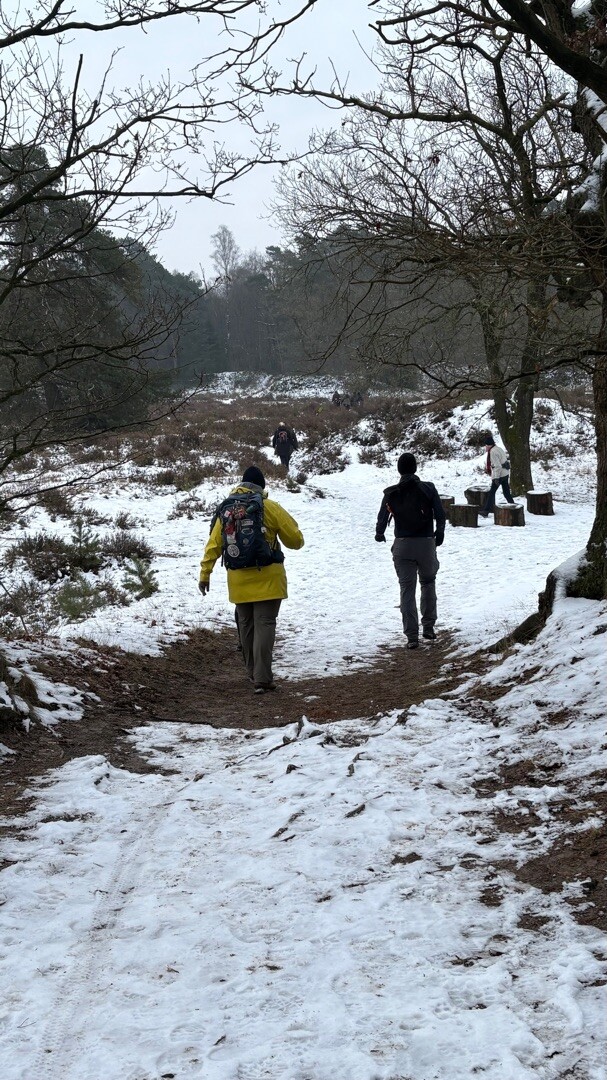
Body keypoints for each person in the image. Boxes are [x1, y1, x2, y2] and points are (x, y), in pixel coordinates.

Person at [199, 466, 304, 693]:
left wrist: (205, 574)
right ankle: (262, 678)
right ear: (261, 487)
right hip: (269, 579)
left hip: (238, 580)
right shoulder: (270, 507)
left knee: (246, 625)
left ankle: (252, 672)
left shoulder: (227, 510)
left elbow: (214, 545)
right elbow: (295, 541)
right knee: (264, 624)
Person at [375, 452, 446, 649]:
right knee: (428, 583)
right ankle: (429, 627)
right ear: (415, 468)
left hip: (402, 545)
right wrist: (440, 532)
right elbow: (440, 513)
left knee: (407, 588)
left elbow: (382, 516)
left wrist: (379, 533)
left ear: (399, 470)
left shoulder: (391, 492)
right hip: (426, 543)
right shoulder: (428, 488)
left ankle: (412, 636)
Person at [478, 434, 514, 517]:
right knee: (506, 493)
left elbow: (497, 466)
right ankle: (513, 506)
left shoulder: (493, 452)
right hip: (505, 474)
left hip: (499, 475)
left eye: (486, 445)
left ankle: (486, 511)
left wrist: (496, 478)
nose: (485, 447)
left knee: (491, 493)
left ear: (488, 445)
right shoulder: (499, 448)